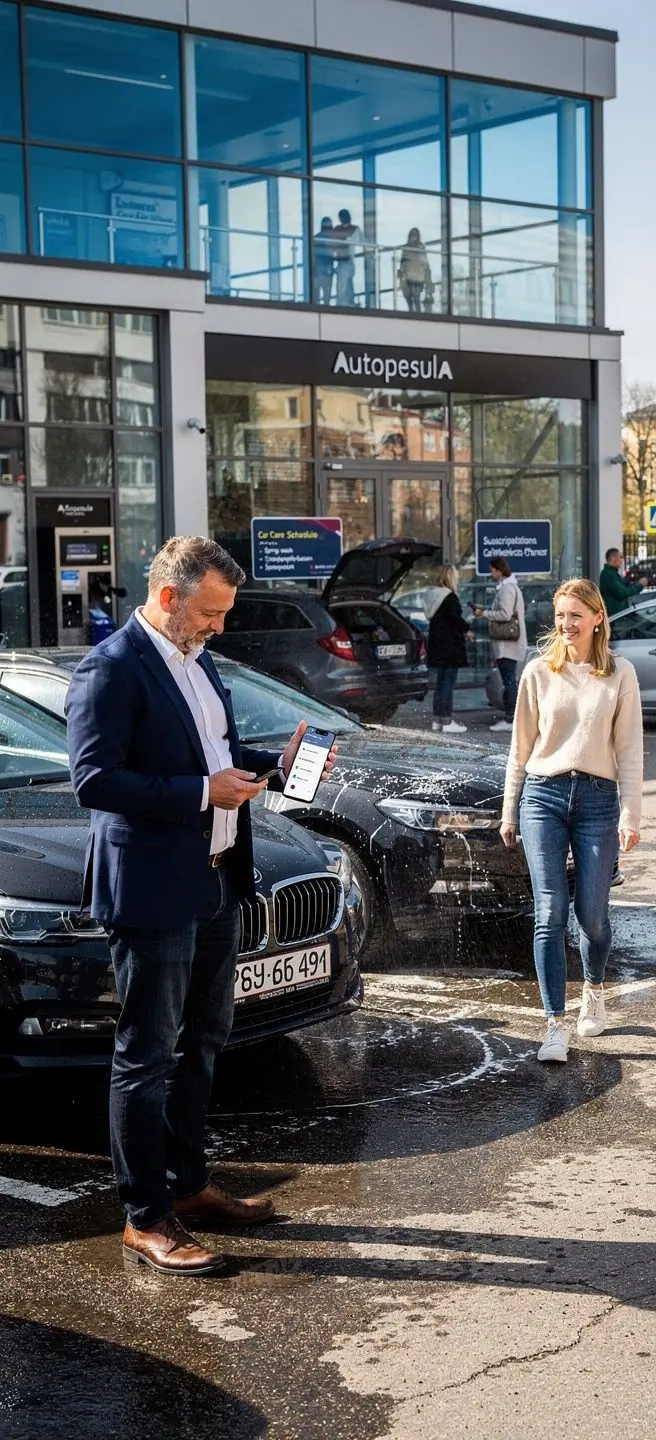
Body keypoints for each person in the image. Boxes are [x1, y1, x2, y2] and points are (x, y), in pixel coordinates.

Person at [65, 536, 337, 1277]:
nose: (219, 627)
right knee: (147, 1056)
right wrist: (199, 793)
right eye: (211, 613)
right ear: (167, 598)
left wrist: (276, 765)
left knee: (205, 1040)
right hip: (152, 887)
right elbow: (95, 781)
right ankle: (145, 1218)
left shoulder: (198, 658)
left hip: (217, 878)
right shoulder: (111, 668)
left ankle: (187, 1185)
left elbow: (213, 753)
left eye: (224, 614)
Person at [500, 578, 643, 1064]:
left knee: (592, 917)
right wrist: (509, 809)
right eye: (560, 615)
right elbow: (520, 748)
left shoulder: (620, 673)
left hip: (598, 801)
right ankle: (554, 1025)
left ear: (598, 618)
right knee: (549, 913)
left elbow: (630, 750)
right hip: (543, 795)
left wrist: (630, 814)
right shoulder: (538, 671)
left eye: (576, 615)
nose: (566, 624)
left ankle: (594, 989)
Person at [474, 557, 528, 733]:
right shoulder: (510, 588)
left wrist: (485, 613)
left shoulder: (507, 589)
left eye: (492, 570)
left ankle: (511, 718)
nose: (491, 573)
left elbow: (505, 614)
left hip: (507, 644)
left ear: (499, 570)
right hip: (510, 643)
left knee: (509, 680)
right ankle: (512, 717)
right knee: (509, 679)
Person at [423, 563, 473, 734]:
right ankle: (446, 720)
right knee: (447, 684)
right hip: (450, 646)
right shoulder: (449, 597)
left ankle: (438, 720)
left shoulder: (432, 596)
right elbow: (455, 619)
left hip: (437, 645)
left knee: (440, 683)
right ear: (451, 577)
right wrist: (467, 629)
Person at [599, 546, 643, 616]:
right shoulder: (608, 574)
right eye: (620, 557)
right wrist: (640, 585)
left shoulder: (613, 574)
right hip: (615, 617)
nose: (622, 561)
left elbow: (625, 588)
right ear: (612, 558)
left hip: (620, 615)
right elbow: (622, 593)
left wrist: (635, 584)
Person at [333, 209, 364, 307]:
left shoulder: (340, 230)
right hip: (344, 259)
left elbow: (361, 242)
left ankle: (347, 302)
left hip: (346, 259)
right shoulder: (353, 229)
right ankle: (345, 302)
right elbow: (362, 242)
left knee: (345, 282)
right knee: (345, 282)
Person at [398, 228, 433, 312]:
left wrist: (428, 280)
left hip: (418, 278)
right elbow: (402, 264)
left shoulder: (421, 248)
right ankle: (411, 313)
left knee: (416, 299)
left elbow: (425, 265)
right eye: (412, 236)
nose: (413, 238)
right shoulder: (406, 248)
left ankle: (417, 314)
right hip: (408, 278)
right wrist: (401, 277)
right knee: (408, 299)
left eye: (415, 236)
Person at [314, 215, 337, 305]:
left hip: (317, 269)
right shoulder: (332, 238)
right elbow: (333, 252)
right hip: (327, 269)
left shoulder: (315, 238)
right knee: (327, 295)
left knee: (315, 296)